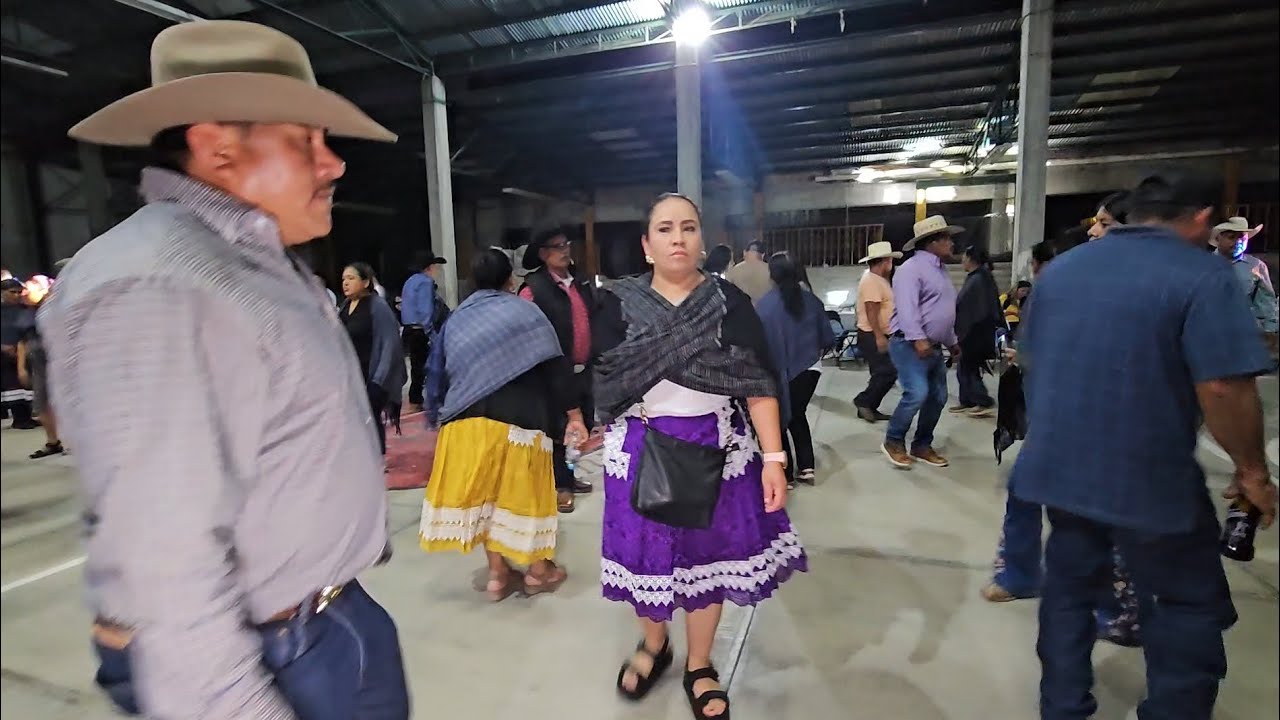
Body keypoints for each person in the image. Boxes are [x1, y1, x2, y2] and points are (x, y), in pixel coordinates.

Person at [37, 20, 410, 718]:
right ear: (217, 146)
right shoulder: (160, 286)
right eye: (306, 141)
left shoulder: (248, 265)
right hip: (272, 657)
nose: (333, 164)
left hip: (316, 627)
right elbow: (162, 568)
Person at [1010, 173, 1277, 720]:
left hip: (1059, 473)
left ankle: (1062, 707)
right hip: (1150, 479)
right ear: (1202, 217)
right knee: (1185, 604)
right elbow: (1225, 386)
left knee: (1068, 593)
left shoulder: (1061, 270)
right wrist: (1253, 471)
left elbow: (1030, 360)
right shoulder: (1202, 275)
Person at [594, 193, 806, 720]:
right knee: (647, 558)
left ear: (701, 240)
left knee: (706, 561)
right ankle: (653, 645)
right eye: (664, 229)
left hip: (719, 449)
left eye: (688, 228)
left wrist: (775, 458)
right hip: (640, 449)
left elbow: (758, 382)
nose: (677, 238)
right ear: (647, 245)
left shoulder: (729, 301)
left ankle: (701, 663)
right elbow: (602, 375)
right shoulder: (617, 303)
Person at [420, 248, 586, 600]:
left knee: (487, 501)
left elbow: (435, 375)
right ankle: (539, 572)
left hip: (463, 423)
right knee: (526, 496)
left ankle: (497, 575)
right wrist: (574, 414)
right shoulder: (526, 313)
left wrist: (437, 415)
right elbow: (555, 369)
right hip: (519, 422)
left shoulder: (458, 318)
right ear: (510, 279)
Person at [519, 226, 596, 513]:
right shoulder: (533, 289)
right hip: (551, 374)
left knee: (581, 426)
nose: (565, 250)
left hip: (582, 371)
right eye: (556, 246)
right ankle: (559, 485)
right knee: (557, 432)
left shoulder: (580, 282)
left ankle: (570, 476)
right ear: (542, 253)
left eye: (566, 244)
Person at [882, 215, 962, 470]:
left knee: (937, 397)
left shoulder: (940, 270)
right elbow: (907, 310)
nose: (951, 243)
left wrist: (952, 342)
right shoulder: (910, 270)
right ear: (932, 242)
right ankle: (893, 441)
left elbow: (941, 311)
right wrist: (918, 339)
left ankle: (921, 444)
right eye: (947, 239)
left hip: (934, 345)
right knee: (917, 392)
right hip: (909, 344)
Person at [756, 253, 835, 487]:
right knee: (797, 415)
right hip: (810, 370)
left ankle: (786, 473)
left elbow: (758, 344)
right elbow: (827, 338)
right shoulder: (811, 301)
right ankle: (807, 467)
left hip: (776, 371)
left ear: (772, 275)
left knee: (778, 418)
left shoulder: (764, 305)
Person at [339, 262, 406, 455]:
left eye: (351, 278)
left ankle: (378, 457)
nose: (345, 283)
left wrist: (379, 380)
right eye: (344, 279)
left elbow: (389, 343)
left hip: (372, 373)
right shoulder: (344, 307)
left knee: (371, 416)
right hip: (352, 373)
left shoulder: (377, 306)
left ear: (366, 282)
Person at [853, 241, 902, 423]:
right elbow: (871, 309)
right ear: (886, 261)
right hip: (872, 334)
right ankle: (863, 401)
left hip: (878, 333)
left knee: (881, 372)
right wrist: (879, 336)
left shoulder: (878, 279)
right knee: (888, 371)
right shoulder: (871, 280)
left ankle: (870, 406)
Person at [951, 246, 1003, 418]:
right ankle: (968, 400)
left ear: (971, 259)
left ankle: (983, 401)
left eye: (964, 257)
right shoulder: (976, 278)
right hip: (972, 331)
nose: (961, 261)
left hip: (975, 332)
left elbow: (978, 311)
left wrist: (965, 331)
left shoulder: (980, 279)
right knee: (964, 367)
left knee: (969, 367)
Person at [1211, 217, 1277, 346]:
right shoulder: (1203, 264)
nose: (1238, 242)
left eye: (1242, 237)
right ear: (1218, 238)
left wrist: (1270, 332)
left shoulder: (1256, 266)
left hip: (1245, 334)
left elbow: (1267, 305)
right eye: (1231, 237)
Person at [400, 250, 447, 414]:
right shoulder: (426, 283)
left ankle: (415, 398)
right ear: (430, 267)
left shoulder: (410, 282)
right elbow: (425, 310)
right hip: (422, 331)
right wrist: (432, 334)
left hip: (409, 329)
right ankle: (435, 397)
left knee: (416, 366)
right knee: (433, 365)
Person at [1, 278, 39, 430]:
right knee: (12, 386)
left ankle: (27, 416)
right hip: (4, 355)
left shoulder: (26, 310)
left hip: (24, 351)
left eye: (19, 292)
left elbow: (31, 329)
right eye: (12, 292)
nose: (16, 295)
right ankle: (20, 418)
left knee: (25, 385)